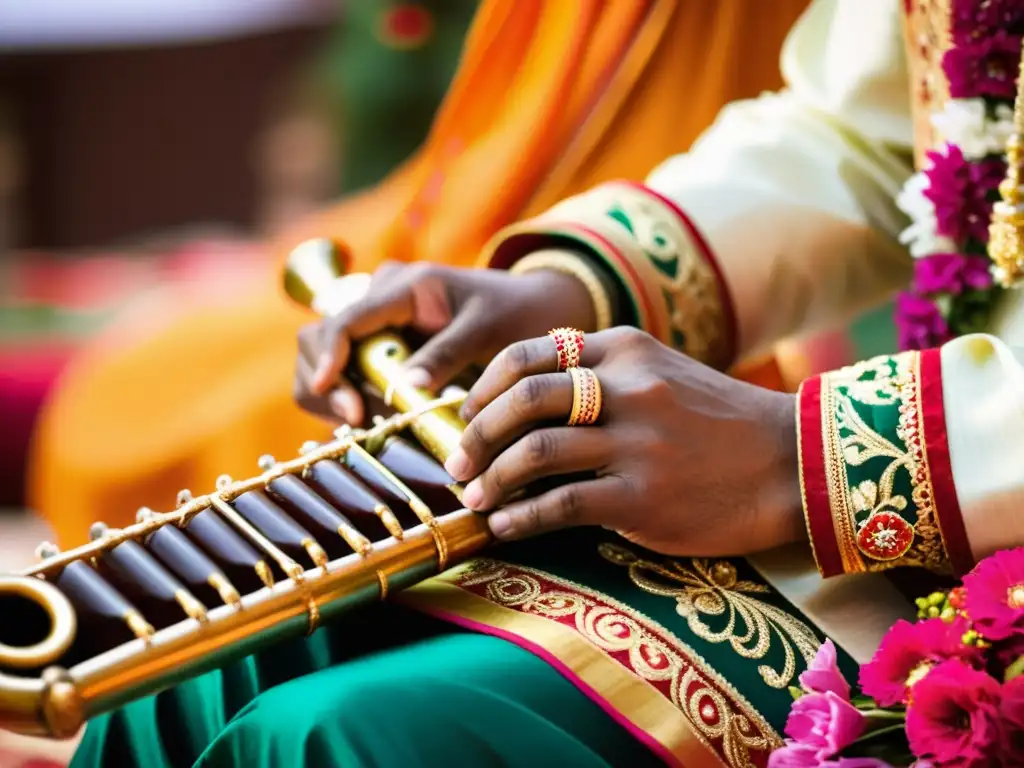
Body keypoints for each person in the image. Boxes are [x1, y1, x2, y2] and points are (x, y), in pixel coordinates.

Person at [69, 0, 1024, 765]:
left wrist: (791, 454)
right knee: (190, 670)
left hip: (960, 525)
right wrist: (578, 285)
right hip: (915, 481)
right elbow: (864, 138)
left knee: (336, 738)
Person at [28, 0, 808, 549]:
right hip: (562, 249)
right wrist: (561, 279)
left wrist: (798, 453)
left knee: (324, 721)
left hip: (703, 326)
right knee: (109, 406)